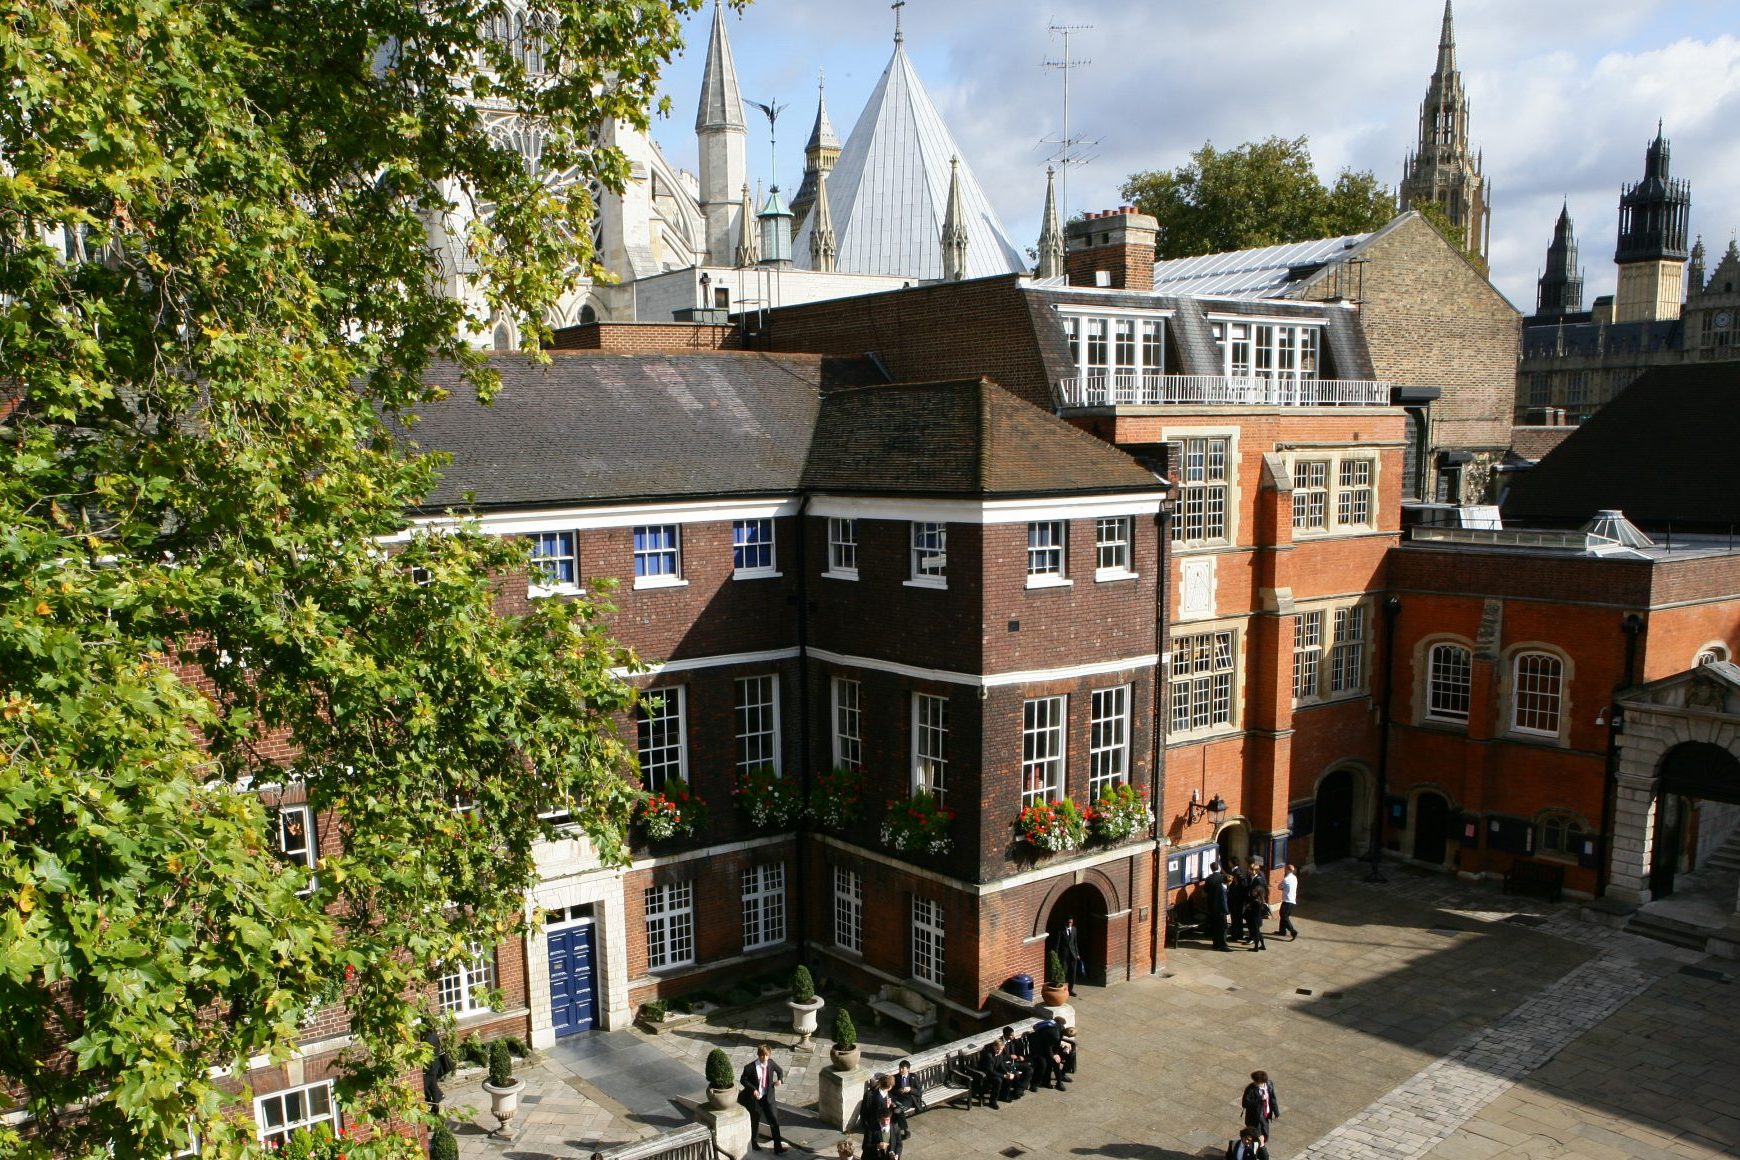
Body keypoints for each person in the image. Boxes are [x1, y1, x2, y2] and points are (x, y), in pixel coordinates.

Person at [739, 1043, 787, 1153]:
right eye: (762, 1056)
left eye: (766, 1055)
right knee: (755, 1120)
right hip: (756, 1099)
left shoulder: (771, 1063)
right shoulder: (750, 1067)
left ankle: (778, 1147)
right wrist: (753, 1089)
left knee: (774, 1120)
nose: (764, 1058)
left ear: (769, 1055)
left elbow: (780, 1071)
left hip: (768, 1097)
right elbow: (743, 1080)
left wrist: (780, 1080)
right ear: (758, 1055)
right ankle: (754, 1142)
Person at [1028, 1018, 1068, 1091]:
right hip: (1038, 1049)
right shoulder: (1055, 1035)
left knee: (1055, 1063)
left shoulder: (1061, 1028)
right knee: (1043, 1065)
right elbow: (1048, 1047)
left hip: (1047, 1048)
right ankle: (1035, 1084)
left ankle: (1056, 1083)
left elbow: (1056, 1044)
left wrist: (1056, 1054)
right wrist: (1053, 1055)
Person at [1242, 1070, 1280, 1142]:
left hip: (1265, 1115)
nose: (1254, 1083)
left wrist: (1276, 1112)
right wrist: (1259, 1099)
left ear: (1262, 1082)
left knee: (1265, 1134)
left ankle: (1261, 1146)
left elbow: (1273, 1098)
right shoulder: (1250, 1089)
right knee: (1256, 1137)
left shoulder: (1269, 1085)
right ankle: (1258, 1149)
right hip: (1255, 1117)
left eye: (1256, 1082)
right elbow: (1245, 1103)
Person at [1053, 916, 1085, 995]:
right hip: (1064, 955)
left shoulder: (1074, 929)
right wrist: (1056, 955)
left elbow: (1075, 942)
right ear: (1066, 922)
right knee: (1063, 971)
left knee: (1072, 972)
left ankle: (1070, 989)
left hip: (1073, 954)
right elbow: (1057, 944)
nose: (1069, 924)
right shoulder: (1061, 931)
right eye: (1068, 922)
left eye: (1071, 922)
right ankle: (1061, 989)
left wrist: (1077, 954)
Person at [999, 1026, 1032, 1096]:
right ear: (1005, 1035)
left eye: (1013, 1034)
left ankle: (1020, 1089)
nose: (1013, 1036)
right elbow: (998, 1056)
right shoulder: (1000, 1042)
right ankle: (1018, 1090)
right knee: (1015, 1073)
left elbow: (1019, 1049)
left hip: (1015, 1062)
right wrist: (1009, 1056)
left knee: (1029, 1069)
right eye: (1011, 1035)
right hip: (1005, 1063)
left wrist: (1020, 1056)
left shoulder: (1014, 1040)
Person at [1205, 868, 1231, 952]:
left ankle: (1216, 944)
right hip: (1221, 912)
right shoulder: (1222, 890)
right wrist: (1227, 912)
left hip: (1214, 911)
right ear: (1228, 882)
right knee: (1223, 929)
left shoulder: (1217, 886)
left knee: (1216, 928)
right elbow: (1224, 902)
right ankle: (1222, 945)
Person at [1244, 864, 1268, 953]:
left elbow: (1262, 890)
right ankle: (1261, 944)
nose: (1249, 871)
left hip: (1255, 916)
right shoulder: (1250, 878)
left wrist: (1249, 905)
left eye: (1251, 870)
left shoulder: (1259, 880)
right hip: (1252, 908)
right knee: (1257, 931)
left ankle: (1256, 946)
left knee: (1256, 931)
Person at [1228, 859, 1251, 943]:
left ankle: (1235, 936)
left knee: (1235, 919)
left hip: (1236, 903)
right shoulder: (1239, 875)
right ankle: (1239, 934)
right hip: (1238, 903)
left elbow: (1234, 893)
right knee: (1238, 919)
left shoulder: (1237, 886)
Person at [1277, 864, 1299, 940]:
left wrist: (1283, 888)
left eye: (1285, 869)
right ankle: (1282, 931)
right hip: (1292, 900)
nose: (1284, 870)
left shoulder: (1286, 879)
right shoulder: (1294, 878)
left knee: (1284, 916)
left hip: (1287, 901)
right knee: (1284, 915)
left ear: (1288, 870)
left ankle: (1293, 931)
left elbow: (1279, 887)